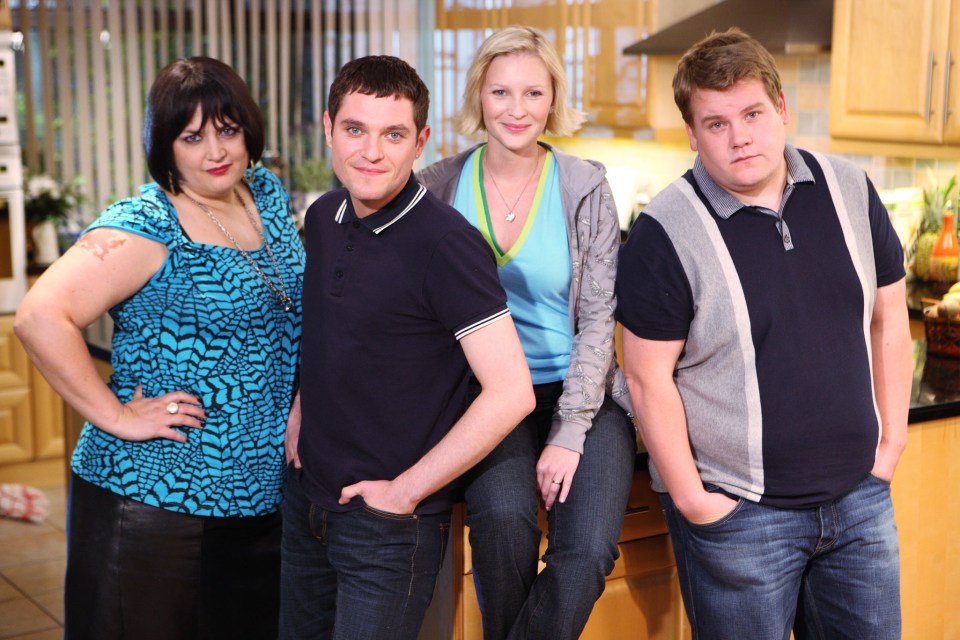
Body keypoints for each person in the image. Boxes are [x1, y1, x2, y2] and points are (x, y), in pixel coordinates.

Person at [616, 28, 912, 639]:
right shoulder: (664, 231)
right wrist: (697, 503)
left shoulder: (851, 189)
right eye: (716, 123)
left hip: (860, 500)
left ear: (781, 109)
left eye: (751, 113)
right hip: (743, 517)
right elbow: (646, 380)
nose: (740, 136)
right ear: (693, 136)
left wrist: (891, 446)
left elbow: (890, 322)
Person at [14, 56, 304, 639]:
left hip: (257, 497)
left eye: (227, 129)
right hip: (154, 503)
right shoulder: (145, 225)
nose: (214, 151)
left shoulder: (264, 195)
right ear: (164, 145)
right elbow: (40, 316)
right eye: (191, 137)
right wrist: (116, 414)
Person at [279, 54, 534, 640]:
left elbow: (511, 392)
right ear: (328, 128)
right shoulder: (322, 215)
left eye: (393, 134)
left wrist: (405, 492)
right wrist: (300, 407)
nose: (371, 152)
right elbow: (328, 333)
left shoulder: (448, 246)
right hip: (305, 500)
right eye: (355, 130)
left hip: (386, 525)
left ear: (420, 141)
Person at [418, 26, 636, 640]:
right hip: (487, 396)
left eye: (533, 93)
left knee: (589, 549)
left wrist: (569, 434)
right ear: (479, 97)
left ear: (552, 100)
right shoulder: (438, 187)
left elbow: (598, 323)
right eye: (501, 92)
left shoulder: (583, 185)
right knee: (503, 522)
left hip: (582, 391)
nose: (517, 110)